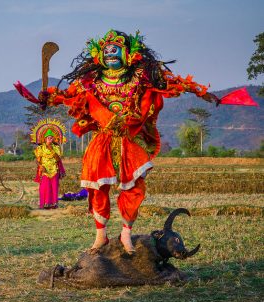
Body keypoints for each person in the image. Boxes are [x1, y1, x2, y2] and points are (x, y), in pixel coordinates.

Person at [16, 29, 220, 255]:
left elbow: (173, 83)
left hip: (130, 139)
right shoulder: (90, 80)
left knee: (133, 188)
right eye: (106, 50)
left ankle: (125, 233)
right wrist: (48, 98)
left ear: (129, 54)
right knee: (97, 188)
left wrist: (201, 92)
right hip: (103, 139)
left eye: (116, 50)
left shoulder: (142, 75)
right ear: (99, 55)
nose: (111, 53)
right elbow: (67, 96)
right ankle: (100, 235)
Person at [32, 120, 66, 209]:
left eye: (51, 138)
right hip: (44, 170)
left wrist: (51, 148)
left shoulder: (56, 147)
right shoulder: (40, 148)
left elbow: (58, 158)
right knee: (44, 188)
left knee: (54, 187)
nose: (50, 139)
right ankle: (43, 204)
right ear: (45, 138)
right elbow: (38, 159)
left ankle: (54, 204)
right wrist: (41, 166)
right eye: (48, 138)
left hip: (54, 170)